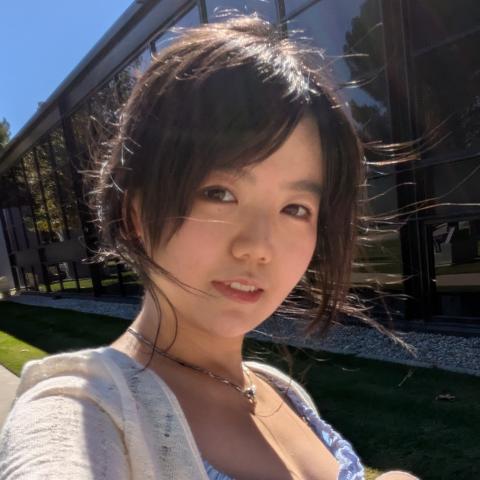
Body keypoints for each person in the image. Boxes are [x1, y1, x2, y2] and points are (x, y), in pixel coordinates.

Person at [0, 15, 419, 480]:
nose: (258, 247)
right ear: (137, 214)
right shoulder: (82, 408)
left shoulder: (280, 391)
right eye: (219, 193)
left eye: (295, 208)